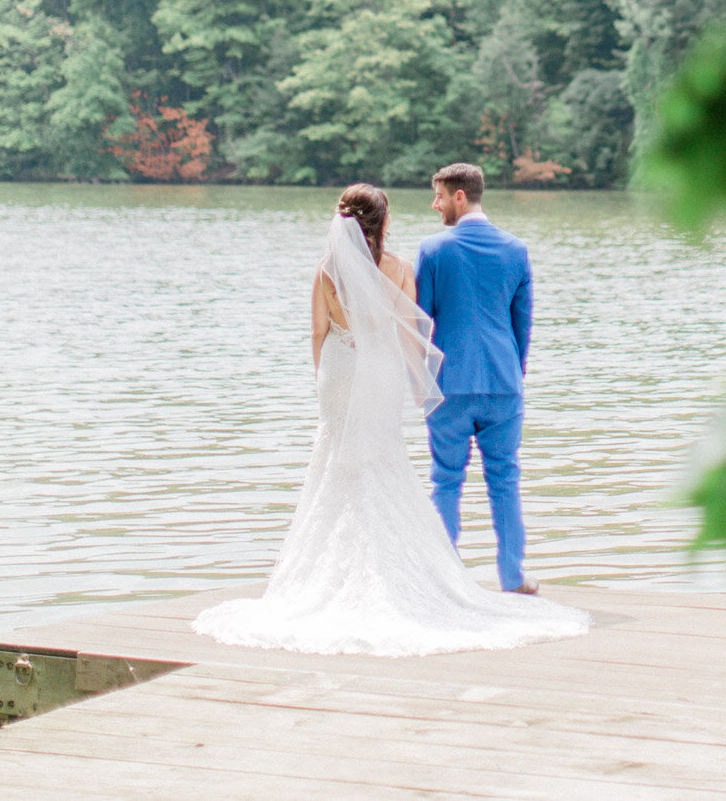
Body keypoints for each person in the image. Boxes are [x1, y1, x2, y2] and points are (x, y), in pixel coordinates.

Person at [192, 183, 587, 656]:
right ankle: (451, 569)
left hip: (339, 371)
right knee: (383, 458)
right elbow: (411, 330)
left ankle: (329, 573)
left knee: (336, 461)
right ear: (382, 223)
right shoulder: (399, 268)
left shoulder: (326, 271)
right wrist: (420, 383)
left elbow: (318, 334)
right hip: (380, 374)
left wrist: (329, 377)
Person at [417, 163, 535, 594]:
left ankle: (445, 577)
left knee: (446, 478)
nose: (436, 205)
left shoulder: (433, 250)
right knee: (504, 477)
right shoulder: (516, 249)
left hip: (449, 383)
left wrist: (424, 381)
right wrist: (512, 377)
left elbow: (420, 323)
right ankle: (513, 575)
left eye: (440, 196)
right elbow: (523, 323)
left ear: (460, 196)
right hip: (503, 382)